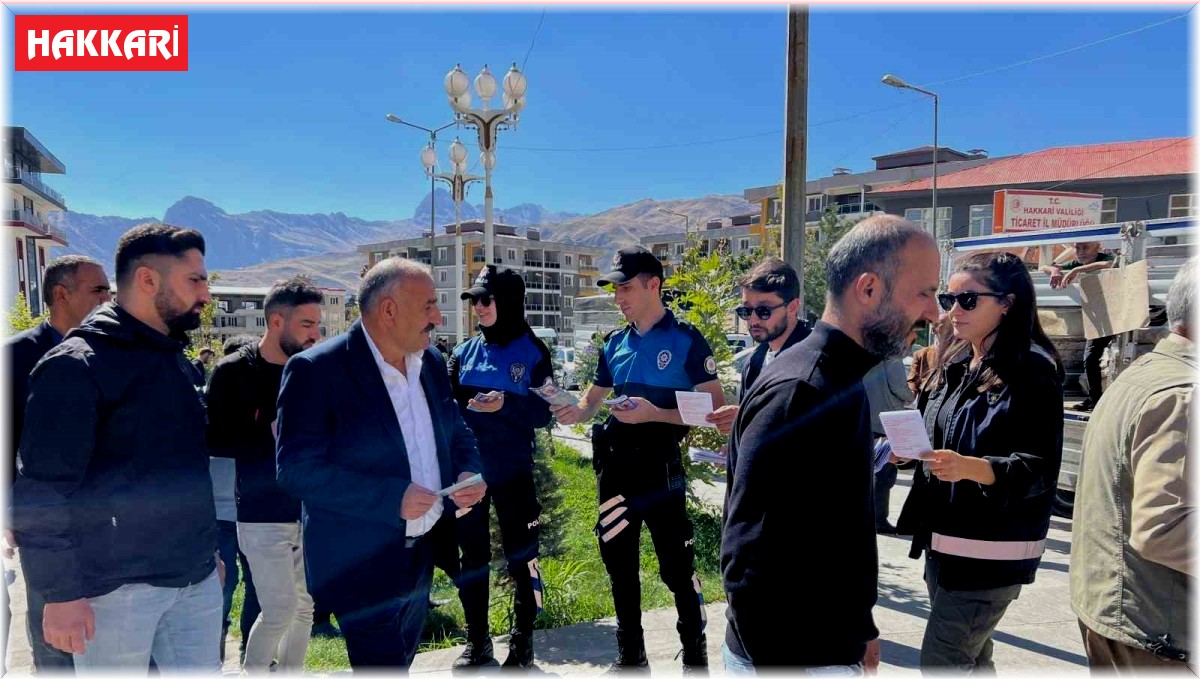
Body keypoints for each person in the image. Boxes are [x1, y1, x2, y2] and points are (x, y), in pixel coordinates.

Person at [722, 215, 938, 673]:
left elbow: (838, 527)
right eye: (924, 293)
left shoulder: (839, 378)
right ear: (869, 289)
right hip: (792, 656)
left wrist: (861, 627)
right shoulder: (803, 390)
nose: (935, 312)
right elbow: (747, 554)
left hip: (827, 645)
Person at [12, 223, 222, 672]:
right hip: (112, 592)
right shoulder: (76, 366)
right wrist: (61, 594)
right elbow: (42, 490)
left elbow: (184, 469)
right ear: (148, 279)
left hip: (194, 579)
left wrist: (208, 557)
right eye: (196, 280)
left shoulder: (173, 359)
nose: (205, 295)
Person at [274, 257, 486, 669]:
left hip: (421, 553)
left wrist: (467, 470)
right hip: (360, 563)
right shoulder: (317, 371)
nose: (438, 317)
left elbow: (456, 430)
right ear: (389, 310)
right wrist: (392, 498)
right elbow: (296, 470)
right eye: (427, 305)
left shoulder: (432, 364)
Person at [552, 246, 725, 672]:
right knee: (620, 568)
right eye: (614, 289)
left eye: (625, 287)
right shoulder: (614, 343)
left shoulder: (686, 338)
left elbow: (715, 411)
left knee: (676, 569)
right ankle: (632, 657)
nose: (618, 297)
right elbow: (591, 403)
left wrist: (655, 414)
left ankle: (696, 654)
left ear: (654, 285)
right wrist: (569, 408)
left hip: (661, 470)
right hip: (616, 471)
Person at [895, 251, 1065, 672]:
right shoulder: (954, 364)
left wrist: (971, 467)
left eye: (967, 300)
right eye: (949, 299)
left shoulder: (1032, 369)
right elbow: (935, 435)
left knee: (944, 661)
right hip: (944, 543)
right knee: (971, 658)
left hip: (992, 553)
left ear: (1006, 303)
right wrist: (901, 451)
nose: (953, 310)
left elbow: (1039, 467)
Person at [1070, 258, 1196, 670]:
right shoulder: (1182, 394)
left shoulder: (1146, 373)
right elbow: (1164, 528)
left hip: (1123, 615)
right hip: (1157, 629)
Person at [207, 277, 324, 673]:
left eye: (317, 326)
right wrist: (266, 432)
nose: (316, 335)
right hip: (260, 513)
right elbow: (214, 441)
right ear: (276, 321)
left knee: (305, 608)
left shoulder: (312, 370)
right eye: (307, 325)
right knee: (278, 611)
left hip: (309, 510)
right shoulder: (233, 372)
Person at [5, 255, 111, 673]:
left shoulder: (110, 354)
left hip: (111, 522)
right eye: (98, 290)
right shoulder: (15, 357)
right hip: (44, 519)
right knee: (53, 628)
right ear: (61, 295)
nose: (108, 299)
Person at [445, 265, 554, 669]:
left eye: (485, 299)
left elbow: (546, 413)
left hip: (514, 472)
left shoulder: (533, 351)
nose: (477, 307)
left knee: (521, 557)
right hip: (470, 473)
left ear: (508, 301)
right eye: (473, 300)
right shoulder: (462, 352)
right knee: (471, 558)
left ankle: (522, 646)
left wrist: (507, 403)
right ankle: (478, 643)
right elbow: (449, 410)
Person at [705, 257, 809, 436]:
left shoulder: (816, 361)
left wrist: (748, 419)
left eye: (763, 311)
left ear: (792, 308)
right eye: (745, 311)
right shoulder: (753, 362)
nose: (753, 320)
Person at [214, 335, 262, 663]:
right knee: (223, 583)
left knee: (258, 585)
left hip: (255, 513)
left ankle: (252, 647)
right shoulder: (210, 410)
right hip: (218, 515)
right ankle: (214, 640)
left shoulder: (264, 404)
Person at [1042, 241, 1116, 411]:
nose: (1080, 252)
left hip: (1114, 314)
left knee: (1097, 358)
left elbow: (1110, 264)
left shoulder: (1103, 258)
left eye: (1085, 248)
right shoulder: (1077, 262)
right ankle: (1095, 399)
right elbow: (1044, 267)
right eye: (1077, 248)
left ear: (1098, 248)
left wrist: (1077, 270)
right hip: (1100, 317)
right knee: (1090, 359)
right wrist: (1054, 270)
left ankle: (1096, 399)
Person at [863, 358, 914, 535]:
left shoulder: (860, 346)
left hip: (863, 416)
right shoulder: (891, 355)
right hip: (884, 419)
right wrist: (911, 396)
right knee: (884, 473)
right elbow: (899, 386)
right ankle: (879, 519)